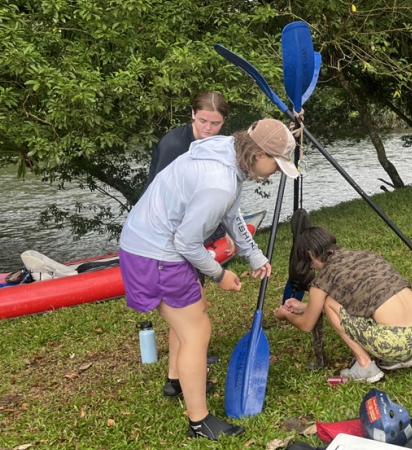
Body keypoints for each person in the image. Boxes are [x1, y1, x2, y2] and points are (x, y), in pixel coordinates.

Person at [119, 118, 299, 440]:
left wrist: (254, 254)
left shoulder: (230, 151)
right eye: (277, 163)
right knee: (197, 330)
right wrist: (219, 274)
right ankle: (199, 423)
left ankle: (177, 380)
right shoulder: (221, 182)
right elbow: (186, 242)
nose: (276, 172)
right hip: (156, 253)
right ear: (258, 152)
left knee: (192, 309)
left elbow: (232, 213)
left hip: (149, 242)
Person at [144, 91, 228, 389]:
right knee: (189, 309)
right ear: (192, 115)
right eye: (203, 120)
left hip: (192, 236)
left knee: (193, 306)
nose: (208, 128)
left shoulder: (215, 144)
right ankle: (180, 376)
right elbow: (160, 198)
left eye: (215, 123)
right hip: (169, 239)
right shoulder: (174, 146)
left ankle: (180, 371)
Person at [273, 227, 412, 383]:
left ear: (311, 254)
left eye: (308, 262)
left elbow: (307, 324)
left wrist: (285, 315)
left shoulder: (323, 279)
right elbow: (359, 301)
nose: (311, 267)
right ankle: (402, 358)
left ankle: (365, 366)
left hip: (396, 344)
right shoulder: (366, 255)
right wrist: (304, 306)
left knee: (329, 303)